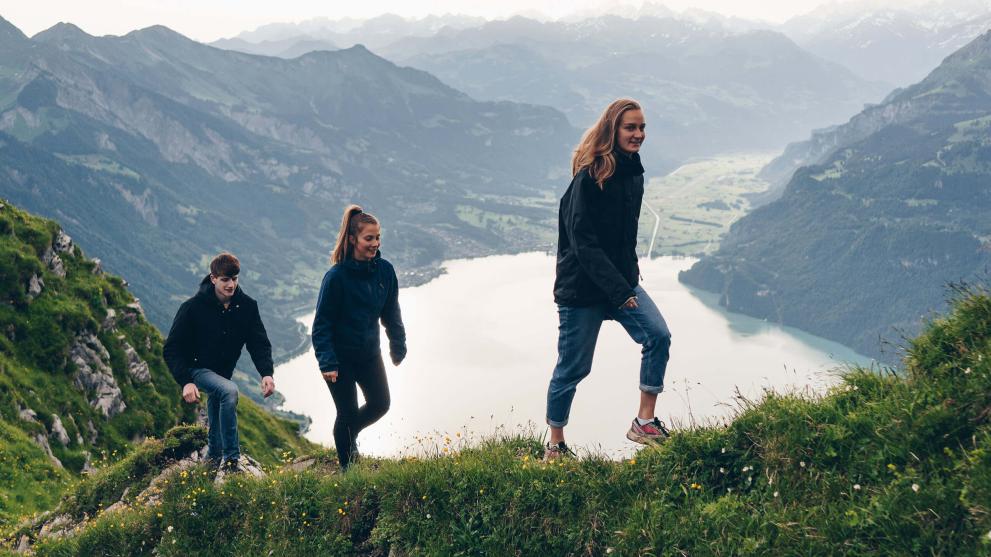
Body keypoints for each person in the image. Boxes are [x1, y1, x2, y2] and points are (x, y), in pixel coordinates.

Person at [544, 98, 673, 460]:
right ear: (612, 129)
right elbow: (583, 244)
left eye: (642, 127)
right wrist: (619, 290)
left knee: (658, 336)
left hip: (620, 283)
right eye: (630, 127)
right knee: (573, 368)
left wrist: (627, 278)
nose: (638, 134)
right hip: (583, 289)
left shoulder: (634, 174)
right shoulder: (588, 178)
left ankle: (644, 422)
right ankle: (555, 445)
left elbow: (623, 236)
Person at [312, 205, 406, 471]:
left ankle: (349, 435)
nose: (375, 243)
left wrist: (397, 344)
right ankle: (347, 468)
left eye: (377, 238)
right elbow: (321, 325)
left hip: (369, 354)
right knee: (347, 413)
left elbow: (391, 311)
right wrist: (327, 362)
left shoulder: (385, 271)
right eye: (369, 238)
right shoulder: (336, 277)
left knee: (380, 404)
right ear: (353, 239)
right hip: (339, 360)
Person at [163, 252, 275, 471]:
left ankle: (213, 461)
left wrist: (266, 373)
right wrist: (186, 381)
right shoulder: (192, 307)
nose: (231, 284)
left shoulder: (247, 307)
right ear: (213, 278)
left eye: (234, 279)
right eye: (225, 279)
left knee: (217, 403)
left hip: (222, 373)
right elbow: (172, 348)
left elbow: (258, 342)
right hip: (196, 368)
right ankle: (232, 460)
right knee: (229, 392)